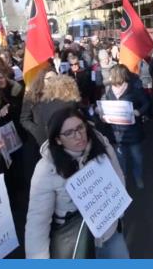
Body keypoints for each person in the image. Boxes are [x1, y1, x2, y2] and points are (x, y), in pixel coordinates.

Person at [25, 106, 129, 259]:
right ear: (58, 140)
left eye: (80, 128)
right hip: (77, 242)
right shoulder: (47, 169)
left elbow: (118, 177)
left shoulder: (101, 144)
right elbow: (37, 223)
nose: (78, 136)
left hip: (110, 232)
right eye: (69, 133)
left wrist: (118, 212)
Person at [100, 64, 149, 189]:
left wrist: (139, 111)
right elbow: (104, 107)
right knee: (120, 160)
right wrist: (101, 114)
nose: (110, 78)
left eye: (112, 75)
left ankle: (138, 176)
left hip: (133, 132)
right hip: (116, 133)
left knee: (137, 158)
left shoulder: (134, 89)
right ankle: (123, 180)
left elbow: (146, 103)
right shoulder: (108, 91)